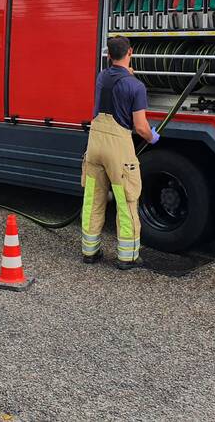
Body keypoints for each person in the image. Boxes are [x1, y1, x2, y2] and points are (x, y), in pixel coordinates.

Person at [80, 36, 157, 269]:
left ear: (109, 55)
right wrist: (153, 137)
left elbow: (116, 81)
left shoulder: (102, 77)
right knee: (125, 201)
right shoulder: (136, 86)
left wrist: (128, 75)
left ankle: (89, 252)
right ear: (130, 52)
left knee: (93, 200)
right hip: (117, 148)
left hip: (94, 144)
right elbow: (141, 127)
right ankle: (127, 257)